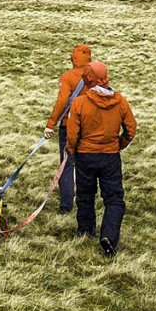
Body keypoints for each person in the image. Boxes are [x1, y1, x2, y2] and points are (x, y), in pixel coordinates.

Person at [67, 61, 136, 257]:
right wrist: (119, 144)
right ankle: (109, 236)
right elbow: (131, 129)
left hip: (85, 156)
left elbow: (72, 134)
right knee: (114, 199)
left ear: (87, 80)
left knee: (85, 195)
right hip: (110, 157)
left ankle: (86, 231)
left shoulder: (79, 103)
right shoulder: (120, 101)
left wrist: (72, 150)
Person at [44, 45, 92, 214]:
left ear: (73, 59)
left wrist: (51, 124)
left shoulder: (68, 77)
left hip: (68, 125)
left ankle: (66, 205)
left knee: (66, 163)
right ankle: (86, 202)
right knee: (86, 164)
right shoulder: (95, 76)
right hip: (89, 126)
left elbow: (62, 101)